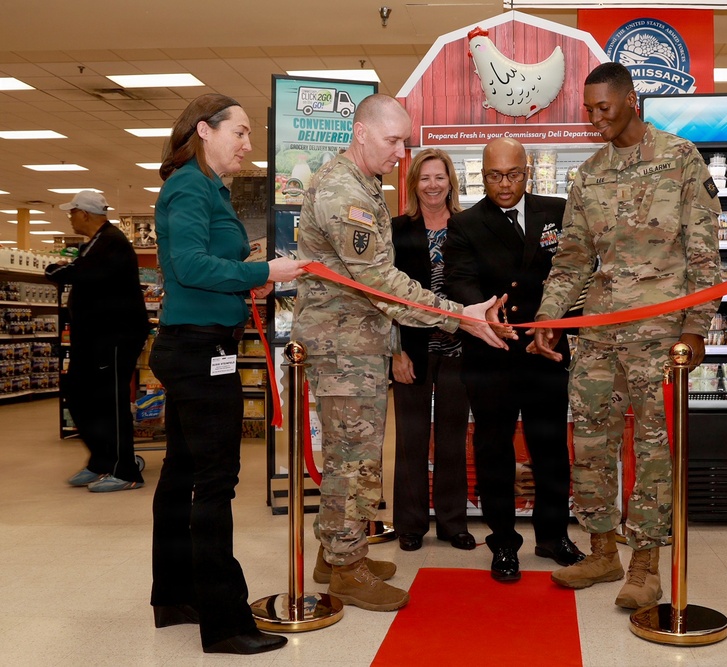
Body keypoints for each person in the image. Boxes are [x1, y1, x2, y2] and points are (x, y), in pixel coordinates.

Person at [291, 93, 508, 613]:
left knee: (356, 457)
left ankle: (335, 553)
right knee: (353, 460)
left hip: (356, 342)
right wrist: (459, 315)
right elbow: (383, 283)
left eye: (404, 141)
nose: (400, 153)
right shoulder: (347, 192)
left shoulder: (363, 182)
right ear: (361, 133)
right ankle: (345, 570)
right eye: (393, 141)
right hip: (343, 348)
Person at [531, 62, 722, 609]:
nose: (594, 119)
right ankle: (601, 548)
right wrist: (548, 320)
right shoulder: (587, 174)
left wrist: (696, 326)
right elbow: (570, 260)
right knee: (591, 440)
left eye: (603, 108)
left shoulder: (681, 158)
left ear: (631, 101)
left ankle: (646, 562)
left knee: (655, 447)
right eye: (588, 110)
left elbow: (704, 252)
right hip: (597, 331)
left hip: (660, 331)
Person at [148, 93, 308, 655]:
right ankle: (224, 622)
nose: (246, 144)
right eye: (238, 133)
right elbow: (189, 265)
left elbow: (201, 267)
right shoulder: (189, 185)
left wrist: (247, 280)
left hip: (195, 345)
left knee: (182, 474)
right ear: (204, 130)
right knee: (216, 482)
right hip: (196, 353)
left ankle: (174, 594)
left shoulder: (208, 188)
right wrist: (263, 268)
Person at [444, 137, 584, 583]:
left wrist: (561, 325)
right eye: (493, 176)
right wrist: (484, 311)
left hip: (545, 351)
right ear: (481, 175)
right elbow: (457, 280)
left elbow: (575, 272)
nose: (504, 185)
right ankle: (503, 542)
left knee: (550, 449)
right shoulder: (465, 223)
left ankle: (553, 535)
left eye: (513, 174)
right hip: (492, 352)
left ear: (529, 171)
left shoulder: (557, 212)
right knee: (493, 451)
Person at [390, 149, 476, 553]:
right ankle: (410, 524)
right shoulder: (397, 230)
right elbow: (383, 296)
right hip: (411, 350)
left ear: (450, 181)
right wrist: (394, 352)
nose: (432, 185)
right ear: (414, 184)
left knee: (452, 440)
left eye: (439, 177)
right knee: (410, 438)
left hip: (459, 350)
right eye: (424, 178)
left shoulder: (468, 227)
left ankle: (452, 523)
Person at [46, 190, 150, 493]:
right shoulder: (94, 243)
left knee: (111, 401)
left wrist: (54, 271)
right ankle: (101, 461)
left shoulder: (111, 242)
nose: (70, 217)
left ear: (86, 214)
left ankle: (125, 470)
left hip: (115, 336)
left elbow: (82, 274)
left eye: (73, 211)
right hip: (93, 337)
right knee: (79, 395)